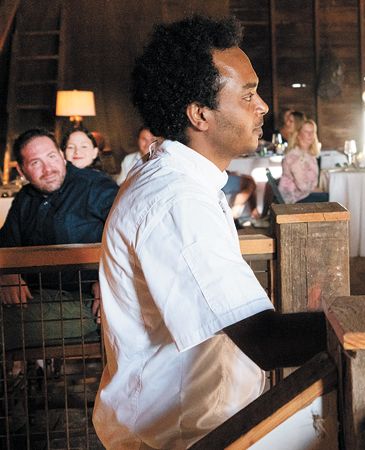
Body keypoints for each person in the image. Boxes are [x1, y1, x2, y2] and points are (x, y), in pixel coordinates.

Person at [93, 16, 324, 448]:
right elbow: (264, 340)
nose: (263, 108)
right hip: (185, 434)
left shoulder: (180, 179)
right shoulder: (177, 200)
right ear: (200, 114)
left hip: (201, 419)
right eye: (249, 95)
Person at [0, 128, 118, 349]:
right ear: (21, 170)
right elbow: (6, 243)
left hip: (85, 302)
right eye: (35, 163)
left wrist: (108, 279)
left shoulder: (94, 186)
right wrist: (7, 275)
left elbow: (130, 237)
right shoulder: (24, 198)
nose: (48, 169)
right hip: (31, 296)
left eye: (52, 157)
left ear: (62, 156)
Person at [278, 119, 328, 203]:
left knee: (333, 195)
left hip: (303, 194)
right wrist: (319, 190)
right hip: (294, 198)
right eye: (306, 131)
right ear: (298, 134)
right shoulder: (295, 156)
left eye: (312, 132)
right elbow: (303, 187)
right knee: (333, 197)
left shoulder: (308, 154)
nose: (310, 134)